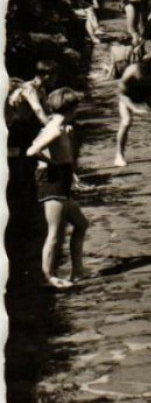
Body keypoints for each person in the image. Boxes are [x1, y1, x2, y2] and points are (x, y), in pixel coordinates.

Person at [29, 89, 88, 290]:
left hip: (61, 180)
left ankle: (78, 271)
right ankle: (48, 276)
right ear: (72, 109)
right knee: (54, 233)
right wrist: (50, 162)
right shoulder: (54, 129)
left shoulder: (57, 126)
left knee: (81, 224)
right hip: (52, 182)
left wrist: (70, 172)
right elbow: (32, 151)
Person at [113, 56, 151, 168]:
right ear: (141, 67)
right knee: (126, 122)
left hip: (145, 93)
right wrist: (134, 108)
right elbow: (120, 93)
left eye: (149, 73)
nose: (147, 75)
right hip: (127, 95)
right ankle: (119, 155)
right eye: (145, 72)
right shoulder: (131, 72)